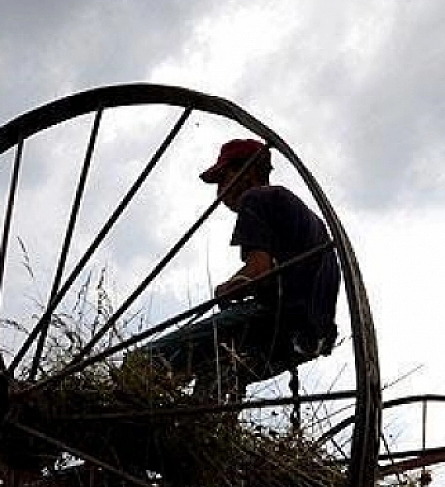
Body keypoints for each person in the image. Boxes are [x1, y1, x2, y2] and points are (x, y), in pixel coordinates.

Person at [136, 138, 340, 396]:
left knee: (143, 362)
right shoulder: (310, 220)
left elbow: (258, 271)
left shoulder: (257, 198)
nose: (220, 191)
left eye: (224, 178)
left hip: (275, 317)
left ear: (251, 170)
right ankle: (203, 421)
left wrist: (227, 288)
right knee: (219, 371)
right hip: (310, 337)